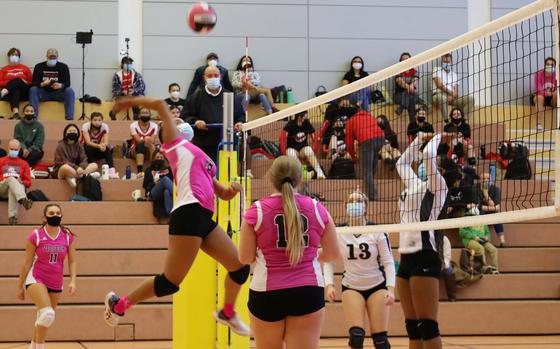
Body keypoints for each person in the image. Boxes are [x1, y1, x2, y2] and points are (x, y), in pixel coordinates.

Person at [103, 96, 251, 336]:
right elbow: (161, 106)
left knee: (240, 268)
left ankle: (227, 311)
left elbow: (221, 193)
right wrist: (126, 103)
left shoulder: (201, 157)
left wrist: (232, 189)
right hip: (188, 213)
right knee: (170, 283)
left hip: (204, 217)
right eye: (174, 120)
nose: (179, 121)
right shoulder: (175, 146)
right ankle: (119, 305)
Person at [239, 155, 340, 349]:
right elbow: (333, 253)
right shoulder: (317, 208)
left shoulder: (256, 210)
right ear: (299, 179)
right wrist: (309, 257)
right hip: (308, 290)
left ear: (270, 178)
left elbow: (244, 257)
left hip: (266, 293)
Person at [395, 132, 462, 349]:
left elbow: (428, 156)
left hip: (425, 256)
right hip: (405, 257)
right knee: (412, 327)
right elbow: (402, 162)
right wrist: (419, 138)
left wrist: (437, 137)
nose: (426, 167)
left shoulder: (438, 186)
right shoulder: (415, 184)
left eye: (434, 166)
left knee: (427, 325)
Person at [323, 190, 395, 349]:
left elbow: (389, 262)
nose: (355, 204)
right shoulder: (338, 232)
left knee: (381, 341)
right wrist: (329, 284)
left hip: (377, 286)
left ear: (366, 207)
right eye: (351, 201)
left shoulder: (378, 231)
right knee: (356, 337)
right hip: (352, 286)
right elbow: (328, 260)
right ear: (345, 207)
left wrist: (391, 289)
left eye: (359, 201)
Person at [17, 203, 77, 349]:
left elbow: (73, 260)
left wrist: (73, 281)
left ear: (61, 215)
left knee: (44, 319)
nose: (55, 216)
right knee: (47, 314)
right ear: (45, 216)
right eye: (51, 213)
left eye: (58, 213)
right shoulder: (36, 235)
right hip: (37, 277)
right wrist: (20, 286)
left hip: (56, 281)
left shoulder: (67, 236)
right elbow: (27, 263)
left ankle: (34, 346)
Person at [182, 65, 244, 164]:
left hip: (227, 145)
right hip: (204, 146)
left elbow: (240, 115)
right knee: (207, 176)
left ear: (221, 77)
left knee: (227, 176)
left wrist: (240, 122)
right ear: (204, 78)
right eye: (209, 76)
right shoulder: (195, 97)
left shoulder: (230, 96)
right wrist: (195, 121)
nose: (213, 78)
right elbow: (185, 116)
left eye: (216, 75)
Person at [345, 106, 385, 200]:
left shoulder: (352, 121)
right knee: (371, 168)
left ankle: (373, 196)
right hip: (380, 139)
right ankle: (371, 187)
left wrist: (352, 156)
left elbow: (349, 142)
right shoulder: (369, 116)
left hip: (367, 141)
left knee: (367, 171)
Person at [29, 48, 75, 120]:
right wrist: (42, 84)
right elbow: (34, 82)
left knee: (69, 91)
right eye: (50, 57)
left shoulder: (63, 67)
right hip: (43, 93)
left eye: (54, 57)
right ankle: (33, 117)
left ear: (57, 57)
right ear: (47, 57)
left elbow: (67, 83)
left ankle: (69, 118)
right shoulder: (39, 66)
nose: (52, 59)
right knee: (33, 90)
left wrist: (60, 85)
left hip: (58, 93)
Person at [281, 111, 326, 179]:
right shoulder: (290, 124)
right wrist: (284, 154)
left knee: (308, 150)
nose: (307, 118)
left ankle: (319, 172)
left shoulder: (306, 123)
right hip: (292, 148)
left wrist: (313, 152)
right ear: (299, 117)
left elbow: (315, 139)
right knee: (291, 153)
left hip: (302, 149)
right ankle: (303, 173)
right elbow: (282, 140)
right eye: (305, 116)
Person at [432, 53, 474, 122]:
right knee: (443, 98)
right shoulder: (437, 70)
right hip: (439, 95)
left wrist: (453, 96)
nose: (446, 63)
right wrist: (451, 93)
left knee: (470, 99)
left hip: (452, 97)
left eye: (448, 62)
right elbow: (439, 85)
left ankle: (464, 121)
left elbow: (456, 91)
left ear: (451, 62)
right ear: (442, 61)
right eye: (444, 61)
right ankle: (446, 121)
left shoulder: (454, 75)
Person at [54, 124, 98, 188]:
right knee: (65, 167)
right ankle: (87, 175)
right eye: (70, 131)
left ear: (77, 133)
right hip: (63, 170)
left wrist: (81, 167)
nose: (72, 132)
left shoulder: (79, 145)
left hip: (77, 170)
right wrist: (76, 168)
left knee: (94, 165)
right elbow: (61, 162)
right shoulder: (60, 145)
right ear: (65, 133)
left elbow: (84, 158)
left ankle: (74, 177)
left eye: (74, 131)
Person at [0, 139, 33, 225]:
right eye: (11, 149)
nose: (13, 151)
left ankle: (12, 218)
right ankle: (23, 199)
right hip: (2, 187)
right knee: (11, 179)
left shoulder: (24, 163)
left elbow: (28, 183)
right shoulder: (1, 161)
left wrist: (22, 181)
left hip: (15, 190)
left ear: (19, 150)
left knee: (14, 186)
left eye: (16, 150)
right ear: (8, 148)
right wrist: (5, 179)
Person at [459, 208, 499, 274]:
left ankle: (494, 268)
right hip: (470, 240)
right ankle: (484, 267)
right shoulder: (466, 219)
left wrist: (487, 237)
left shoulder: (482, 220)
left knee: (493, 249)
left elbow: (487, 233)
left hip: (481, 240)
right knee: (480, 248)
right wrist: (474, 237)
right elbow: (462, 232)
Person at [0, 48, 32, 119]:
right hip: (9, 94)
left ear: (19, 57)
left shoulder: (25, 68)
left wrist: (24, 81)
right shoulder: (4, 69)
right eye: (12, 54)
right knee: (15, 89)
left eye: (16, 55)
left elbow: (31, 83)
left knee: (17, 80)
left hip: (24, 93)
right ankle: (16, 113)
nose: (14, 56)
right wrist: (12, 82)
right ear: (9, 56)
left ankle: (2, 93)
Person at [478, 172, 507, 247]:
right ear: (480, 180)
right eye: (484, 179)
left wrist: (486, 194)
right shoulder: (476, 189)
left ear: (491, 180)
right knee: (481, 213)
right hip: (480, 213)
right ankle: (483, 239)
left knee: (496, 216)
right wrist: (484, 193)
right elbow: (479, 207)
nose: (486, 180)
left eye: (488, 179)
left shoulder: (495, 189)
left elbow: (496, 207)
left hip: (491, 212)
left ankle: (502, 241)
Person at [143, 149, 173, 221]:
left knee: (166, 191)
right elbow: (146, 185)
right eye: (157, 158)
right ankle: (179, 196)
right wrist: (155, 183)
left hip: (166, 190)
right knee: (165, 179)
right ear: (153, 158)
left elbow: (171, 182)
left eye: (161, 158)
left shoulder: (168, 169)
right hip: (154, 191)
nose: (159, 159)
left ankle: (171, 216)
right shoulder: (149, 170)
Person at [128, 108, 159, 178]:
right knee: (141, 145)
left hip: (149, 150)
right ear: (139, 115)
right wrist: (146, 138)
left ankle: (154, 169)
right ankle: (140, 172)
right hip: (135, 151)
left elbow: (153, 140)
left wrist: (147, 140)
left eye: (146, 113)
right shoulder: (133, 125)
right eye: (143, 113)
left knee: (151, 145)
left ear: (150, 115)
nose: (145, 114)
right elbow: (138, 140)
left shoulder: (154, 126)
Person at [394, 52, 422, 123]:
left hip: (411, 94)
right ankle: (413, 124)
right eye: (403, 59)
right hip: (399, 96)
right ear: (400, 61)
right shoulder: (398, 70)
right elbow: (400, 82)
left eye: (407, 59)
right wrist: (409, 88)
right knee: (411, 97)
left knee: (411, 97)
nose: (405, 60)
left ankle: (401, 107)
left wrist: (412, 85)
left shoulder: (414, 71)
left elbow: (415, 81)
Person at [532, 56, 557, 130]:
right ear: (545, 65)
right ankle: (539, 124)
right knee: (539, 97)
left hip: (552, 100)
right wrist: (549, 93)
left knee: (557, 94)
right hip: (539, 98)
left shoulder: (557, 75)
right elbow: (538, 90)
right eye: (548, 64)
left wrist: (553, 94)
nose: (549, 66)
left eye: (552, 65)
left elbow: (557, 90)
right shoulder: (538, 74)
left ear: (554, 67)